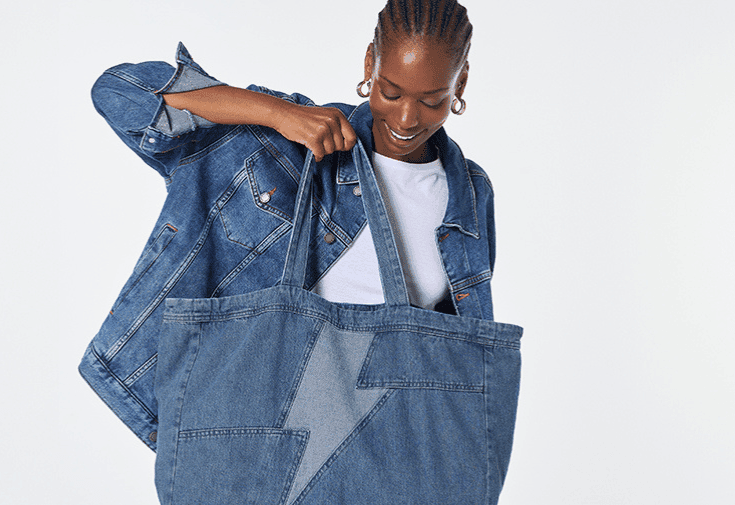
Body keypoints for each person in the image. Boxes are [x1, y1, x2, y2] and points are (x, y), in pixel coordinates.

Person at [80, 1, 522, 503]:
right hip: (251, 431)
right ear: (368, 66)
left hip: (381, 457)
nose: (405, 117)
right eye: (390, 91)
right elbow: (118, 92)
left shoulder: (469, 192)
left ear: (459, 86)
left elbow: (450, 351)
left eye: (432, 99)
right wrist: (277, 114)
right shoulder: (284, 146)